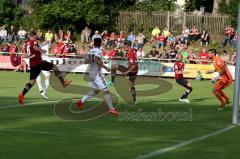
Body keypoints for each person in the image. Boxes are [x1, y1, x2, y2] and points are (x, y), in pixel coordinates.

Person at [18, 31, 72, 105]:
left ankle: (22, 95)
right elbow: (34, 47)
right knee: (54, 67)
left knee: (32, 82)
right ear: (33, 35)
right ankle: (63, 83)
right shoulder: (34, 41)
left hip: (33, 65)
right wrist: (42, 50)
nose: (37, 36)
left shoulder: (27, 43)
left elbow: (29, 54)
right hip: (39, 63)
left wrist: (25, 56)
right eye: (36, 35)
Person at [77, 38, 120, 116]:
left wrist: (92, 60)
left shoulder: (90, 51)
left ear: (94, 43)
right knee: (106, 90)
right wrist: (105, 67)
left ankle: (81, 101)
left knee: (95, 91)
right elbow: (97, 59)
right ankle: (112, 109)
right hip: (97, 75)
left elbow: (85, 61)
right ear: (100, 44)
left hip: (91, 74)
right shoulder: (98, 51)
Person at [111, 40, 139, 105]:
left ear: (128, 46)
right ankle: (134, 99)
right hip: (135, 71)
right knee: (131, 85)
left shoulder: (130, 53)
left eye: (125, 46)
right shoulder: (131, 50)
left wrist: (127, 72)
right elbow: (135, 61)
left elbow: (134, 64)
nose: (124, 47)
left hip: (131, 70)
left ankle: (112, 82)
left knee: (113, 66)